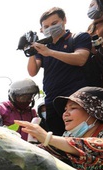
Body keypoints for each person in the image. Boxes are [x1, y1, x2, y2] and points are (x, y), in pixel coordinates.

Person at [27, 7, 92, 136]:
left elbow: (81, 59)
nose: (50, 28)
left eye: (54, 23)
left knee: (78, 139)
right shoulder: (44, 47)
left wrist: (50, 53)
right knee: (56, 140)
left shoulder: (78, 37)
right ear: (41, 29)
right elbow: (33, 71)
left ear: (64, 20)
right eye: (46, 26)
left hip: (75, 101)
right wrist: (30, 51)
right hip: (52, 101)